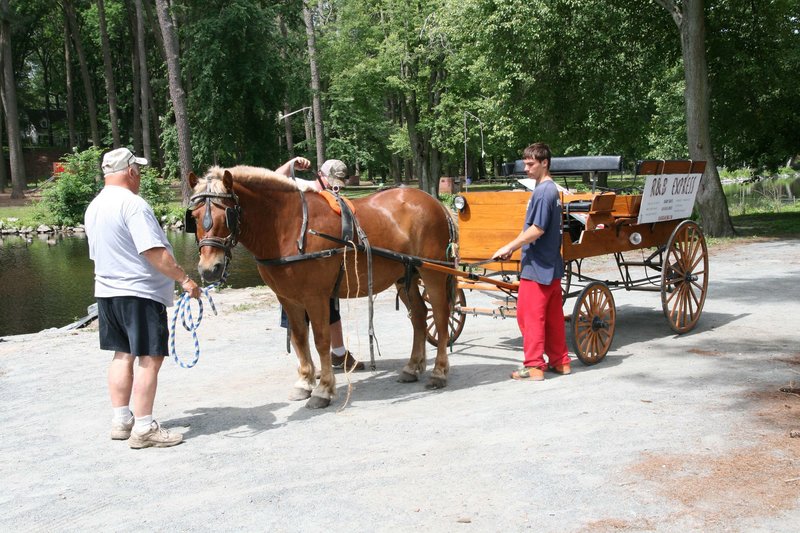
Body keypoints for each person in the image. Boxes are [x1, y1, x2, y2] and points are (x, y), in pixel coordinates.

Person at [85, 147, 201, 448]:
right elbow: (152, 251)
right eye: (139, 170)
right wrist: (184, 280)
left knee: (121, 354)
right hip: (139, 293)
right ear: (131, 171)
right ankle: (144, 428)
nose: (140, 175)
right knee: (150, 358)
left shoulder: (95, 206)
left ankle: (122, 420)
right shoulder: (132, 204)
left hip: (107, 292)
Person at [274, 156, 363, 372]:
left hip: (321, 266)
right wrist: (291, 163)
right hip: (294, 265)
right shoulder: (301, 186)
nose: (335, 187)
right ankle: (304, 364)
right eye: (332, 181)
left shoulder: (333, 197)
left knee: (332, 311)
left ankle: (340, 354)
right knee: (295, 318)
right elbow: (275, 178)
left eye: (339, 184)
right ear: (320, 176)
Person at [492, 142, 571, 381]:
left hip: (537, 266)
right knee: (554, 318)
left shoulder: (543, 192)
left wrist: (509, 246)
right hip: (551, 265)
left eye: (531, 164)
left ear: (544, 162)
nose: (526, 168)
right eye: (525, 163)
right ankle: (561, 362)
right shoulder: (552, 190)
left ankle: (534, 366)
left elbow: (537, 229)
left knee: (529, 317)